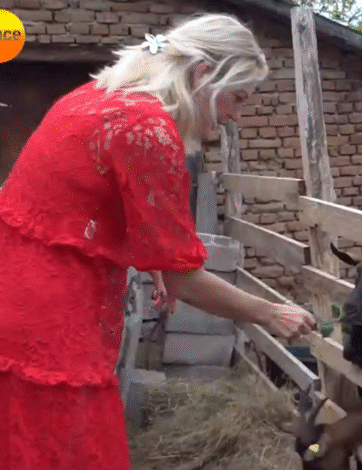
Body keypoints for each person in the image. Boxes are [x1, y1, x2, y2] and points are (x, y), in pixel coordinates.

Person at [0, 13, 317, 470]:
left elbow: (86, 205)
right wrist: (270, 313)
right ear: (203, 75)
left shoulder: (98, 96)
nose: (235, 117)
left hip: (17, 292)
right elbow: (186, 279)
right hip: (52, 315)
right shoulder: (146, 128)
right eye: (238, 98)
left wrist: (155, 262)